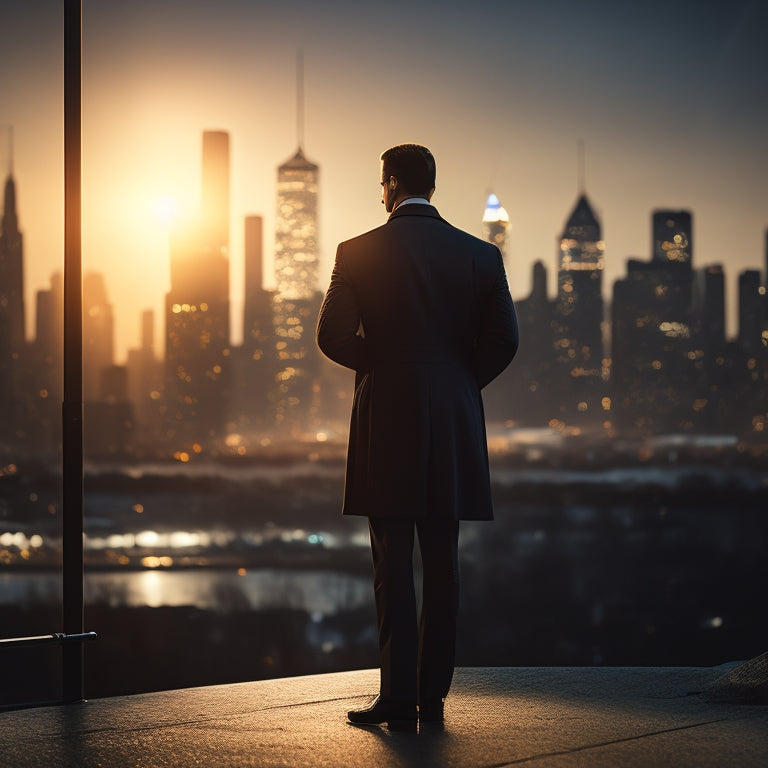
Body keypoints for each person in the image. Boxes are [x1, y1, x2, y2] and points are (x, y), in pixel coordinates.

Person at [316, 144, 519, 730]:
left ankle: (397, 696)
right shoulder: (482, 256)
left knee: (392, 566)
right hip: (451, 420)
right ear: (434, 185)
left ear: (392, 182)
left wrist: (383, 369)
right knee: (443, 562)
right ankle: (434, 696)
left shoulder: (356, 252)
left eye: (382, 186)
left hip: (386, 421)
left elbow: (331, 337)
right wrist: (454, 384)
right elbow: (504, 342)